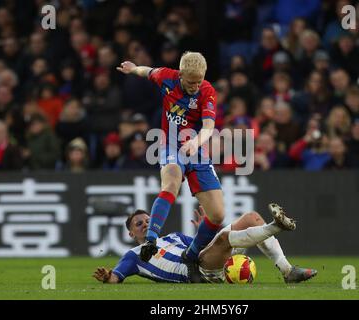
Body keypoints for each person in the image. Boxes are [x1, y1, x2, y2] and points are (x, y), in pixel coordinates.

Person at [116, 52, 224, 282]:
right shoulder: (167, 77)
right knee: (172, 183)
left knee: (217, 215)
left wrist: (195, 142)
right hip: (170, 146)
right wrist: (134, 68)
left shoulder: (207, 91)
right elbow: (148, 71)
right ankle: (152, 239)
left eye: (199, 81)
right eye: (191, 81)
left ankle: (191, 256)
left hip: (197, 149)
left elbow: (208, 126)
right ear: (181, 74)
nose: (195, 86)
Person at [93, 203, 317, 284]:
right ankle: (277, 226)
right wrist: (107, 276)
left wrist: (204, 232)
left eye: (148, 221)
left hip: (206, 260)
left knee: (251, 217)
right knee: (224, 239)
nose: (144, 224)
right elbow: (115, 277)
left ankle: (287, 271)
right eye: (138, 224)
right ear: (131, 233)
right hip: (196, 274)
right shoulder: (133, 255)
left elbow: (206, 248)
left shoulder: (175, 237)